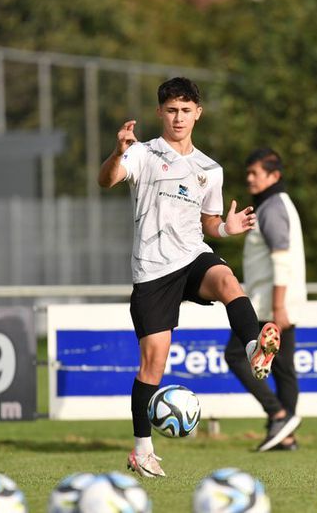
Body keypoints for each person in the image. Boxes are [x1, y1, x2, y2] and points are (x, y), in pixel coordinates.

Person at [97, 77, 281, 478]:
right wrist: (117, 152)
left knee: (229, 282)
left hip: (193, 255)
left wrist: (228, 230)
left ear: (197, 113)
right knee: (153, 364)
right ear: (160, 112)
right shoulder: (142, 154)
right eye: (171, 110)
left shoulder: (209, 169)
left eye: (185, 110)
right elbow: (106, 180)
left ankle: (254, 349)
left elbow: (210, 224)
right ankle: (142, 450)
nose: (178, 118)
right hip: (153, 269)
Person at [225, 147, 306, 452]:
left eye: (254, 173)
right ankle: (286, 437)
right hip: (274, 301)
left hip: (268, 304)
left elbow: (281, 259)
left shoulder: (272, 207)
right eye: (247, 173)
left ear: (274, 176)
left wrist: (278, 306)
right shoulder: (275, 203)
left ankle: (278, 413)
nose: (249, 178)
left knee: (235, 355)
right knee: (284, 368)